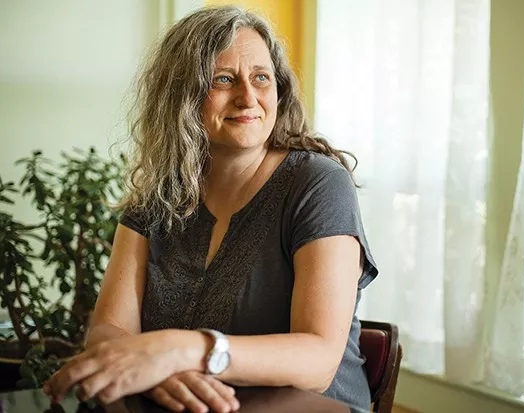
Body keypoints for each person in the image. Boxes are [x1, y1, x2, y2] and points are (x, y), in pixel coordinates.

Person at [44, 5, 378, 413]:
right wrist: (163, 373)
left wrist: (181, 351)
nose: (248, 97)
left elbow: (319, 362)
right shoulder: (157, 195)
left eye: (261, 77)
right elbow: (108, 329)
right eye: (223, 79)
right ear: (181, 95)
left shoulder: (318, 183)